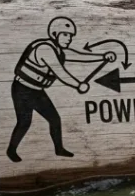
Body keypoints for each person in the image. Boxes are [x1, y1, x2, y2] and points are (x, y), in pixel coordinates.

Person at [7, 17, 116, 163]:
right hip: (22, 90)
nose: (68, 38)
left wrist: (102, 56)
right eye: (65, 34)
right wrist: (78, 85)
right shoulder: (45, 49)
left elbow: (79, 56)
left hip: (37, 91)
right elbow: (60, 72)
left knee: (55, 119)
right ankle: (11, 150)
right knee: (24, 122)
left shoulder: (59, 50)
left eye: (70, 35)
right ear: (54, 34)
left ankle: (59, 149)